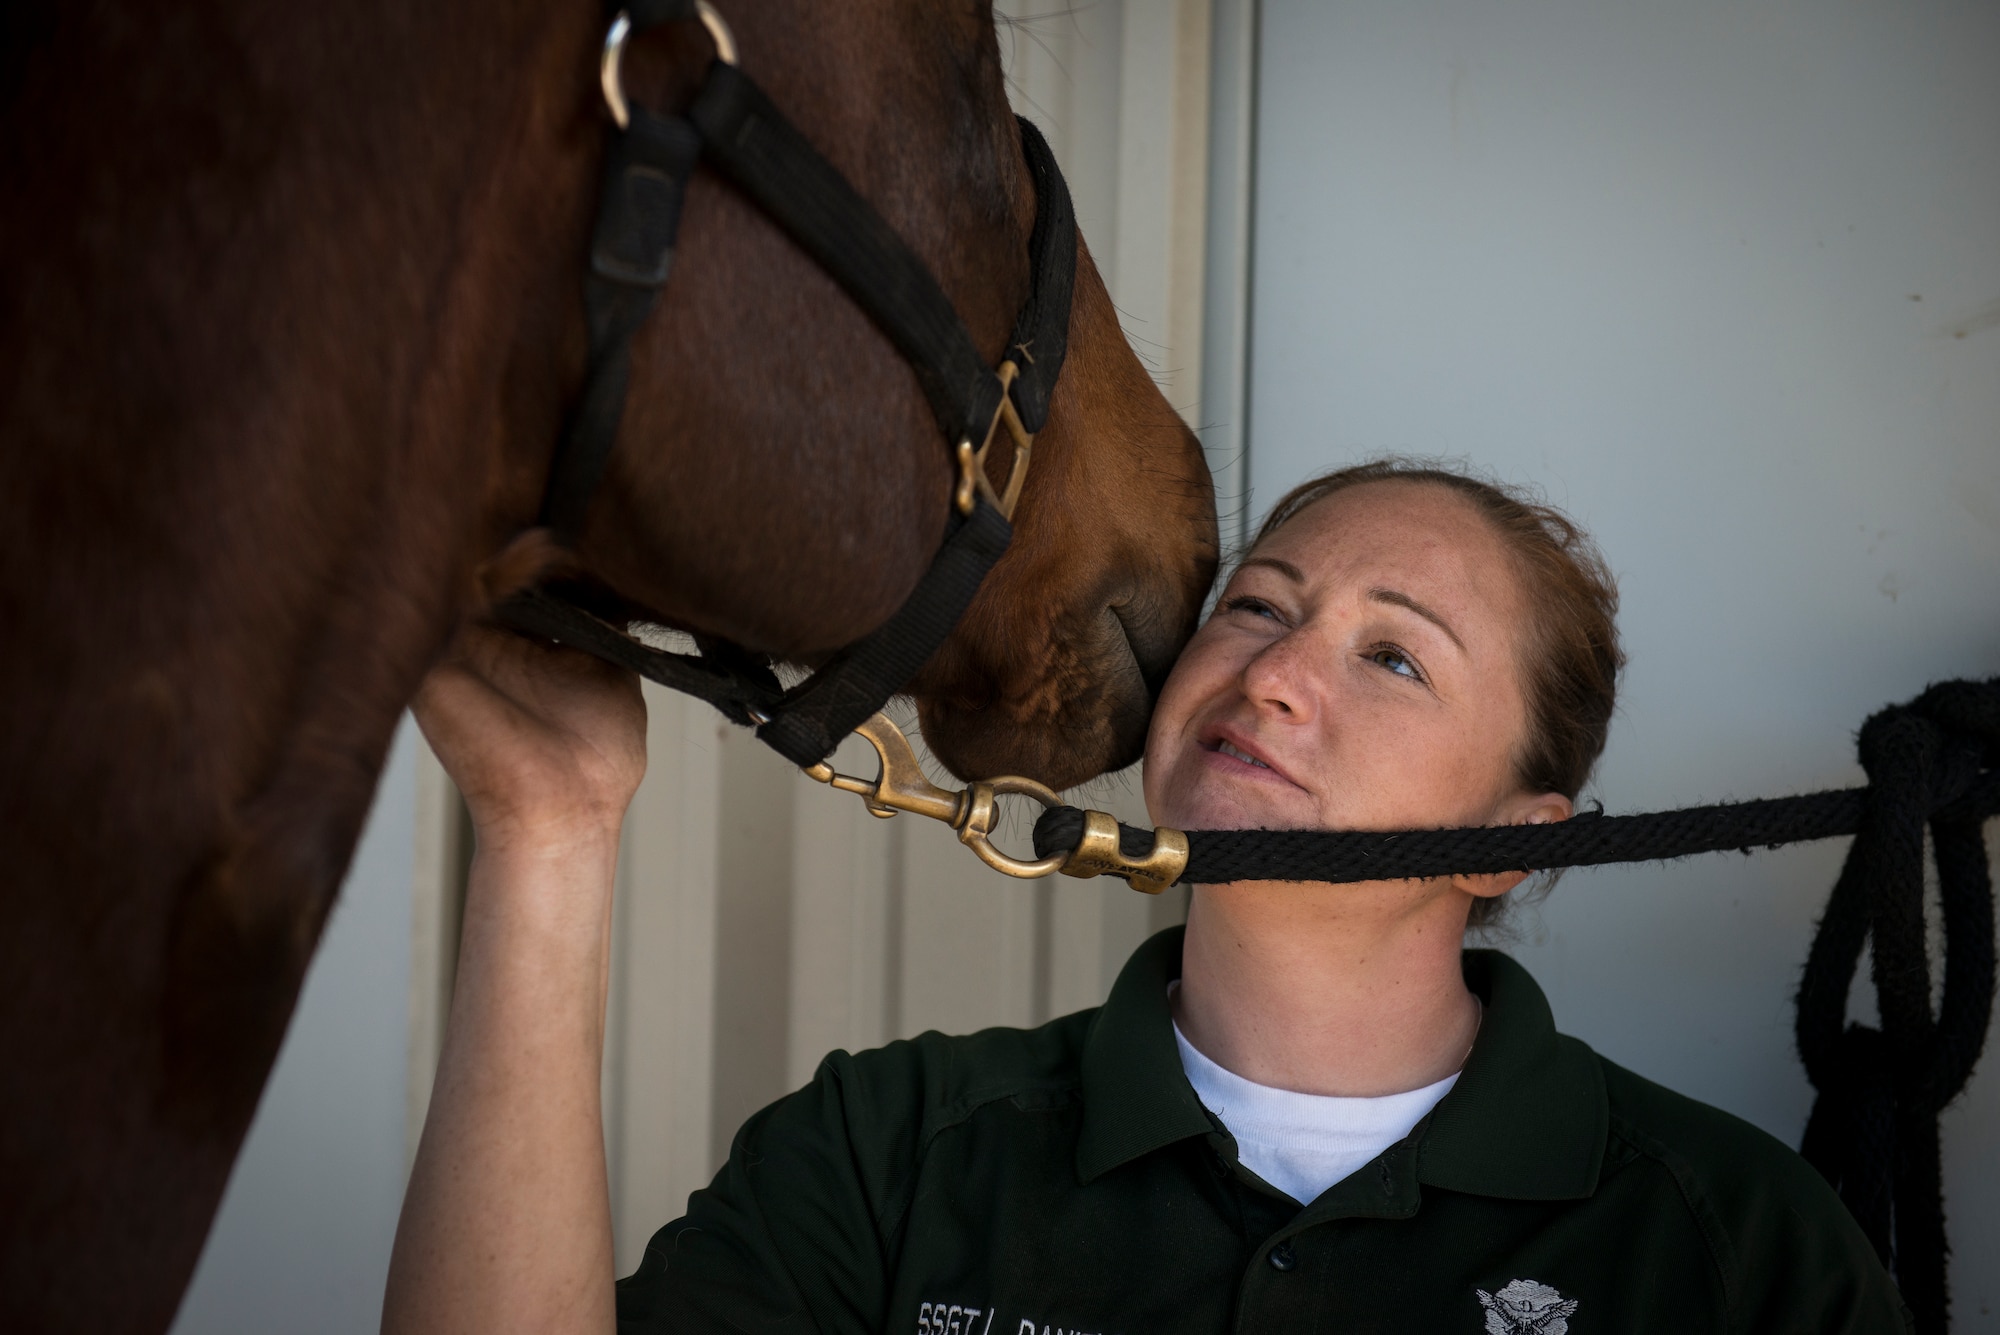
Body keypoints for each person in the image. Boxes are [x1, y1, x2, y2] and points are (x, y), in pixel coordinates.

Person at [384, 459, 1909, 1334]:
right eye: (1257, 605)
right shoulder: (890, 1156)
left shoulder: (1738, 1248)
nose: (1277, 673)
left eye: (1393, 656)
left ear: (1510, 842)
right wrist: (550, 830)